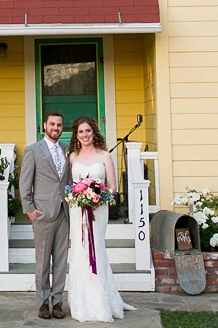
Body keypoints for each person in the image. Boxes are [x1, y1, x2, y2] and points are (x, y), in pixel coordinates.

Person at [65, 116, 136, 323]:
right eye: (80, 132)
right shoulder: (72, 157)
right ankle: (82, 304)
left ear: (94, 132)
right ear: (76, 135)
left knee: (96, 249)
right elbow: (70, 186)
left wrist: (98, 198)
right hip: (78, 211)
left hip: (98, 210)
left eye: (88, 131)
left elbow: (113, 188)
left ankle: (101, 302)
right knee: (80, 251)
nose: (84, 135)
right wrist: (79, 197)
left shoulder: (105, 156)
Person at [19, 110, 70, 320]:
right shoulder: (33, 150)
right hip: (42, 213)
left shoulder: (67, 150)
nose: (55, 128)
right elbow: (24, 183)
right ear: (44, 126)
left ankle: (57, 302)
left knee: (61, 261)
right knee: (42, 261)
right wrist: (30, 210)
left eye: (59, 125)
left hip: (64, 212)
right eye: (52, 124)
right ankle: (42, 302)